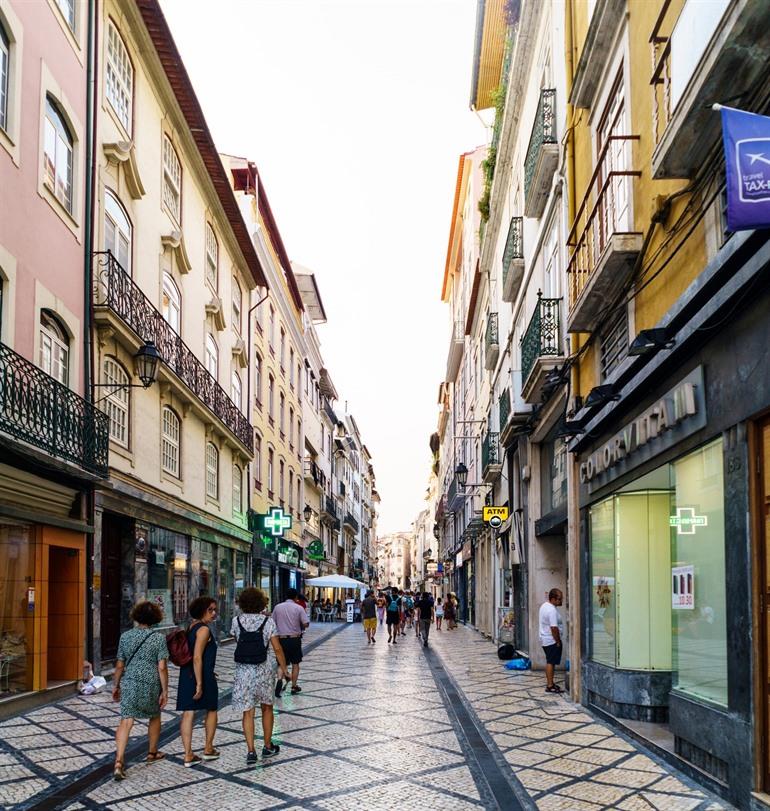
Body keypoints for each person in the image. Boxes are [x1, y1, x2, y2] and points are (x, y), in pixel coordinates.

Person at [111, 601, 169, 781]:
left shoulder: (125, 637)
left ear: (136, 616)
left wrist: (116, 685)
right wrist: (165, 690)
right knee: (155, 716)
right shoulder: (158, 638)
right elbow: (162, 667)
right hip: (150, 683)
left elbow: (120, 664)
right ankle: (152, 752)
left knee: (126, 720)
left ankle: (119, 762)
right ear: (155, 618)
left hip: (130, 682)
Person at [231, 588, 290, 763]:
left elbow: (238, 641)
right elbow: (277, 648)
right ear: (261, 603)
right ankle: (267, 746)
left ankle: (250, 751)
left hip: (243, 672)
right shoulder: (268, 622)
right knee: (267, 707)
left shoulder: (236, 621)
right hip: (263, 670)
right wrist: (284, 669)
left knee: (247, 711)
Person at [177, 596, 220, 766]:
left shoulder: (191, 627)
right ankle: (208, 748)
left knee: (188, 713)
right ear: (201, 610)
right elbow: (197, 657)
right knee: (211, 709)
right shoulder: (204, 630)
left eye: (214, 609)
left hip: (186, 675)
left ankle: (188, 755)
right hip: (200, 676)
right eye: (210, 609)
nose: (214, 613)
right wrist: (200, 683)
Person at [272, 587, 309, 695]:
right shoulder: (298, 608)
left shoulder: (277, 607)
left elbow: (272, 622)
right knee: (295, 663)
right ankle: (293, 686)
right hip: (295, 639)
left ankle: (279, 679)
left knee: (281, 663)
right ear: (296, 597)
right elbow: (306, 623)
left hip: (281, 639)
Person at [539, 588, 564, 693]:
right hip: (551, 640)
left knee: (551, 661)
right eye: (559, 599)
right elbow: (554, 628)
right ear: (553, 599)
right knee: (551, 662)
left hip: (545, 638)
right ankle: (550, 685)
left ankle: (551, 683)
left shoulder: (545, 606)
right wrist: (557, 641)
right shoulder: (551, 610)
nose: (561, 601)